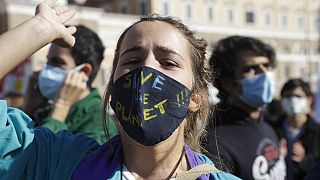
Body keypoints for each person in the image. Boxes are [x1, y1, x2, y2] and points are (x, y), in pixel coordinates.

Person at [0, 0, 240, 179]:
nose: (147, 70)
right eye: (132, 61)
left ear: (195, 97)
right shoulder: (60, 161)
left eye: (168, 63)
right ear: (113, 86)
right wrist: (39, 29)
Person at [203, 35, 286, 179]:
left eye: (266, 66)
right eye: (251, 69)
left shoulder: (267, 126)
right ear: (228, 83)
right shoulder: (214, 143)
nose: (264, 74)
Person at [20, 24, 117, 144]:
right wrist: (27, 111)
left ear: (83, 72)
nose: (46, 69)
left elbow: (38, 156)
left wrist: (61, 107)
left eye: (57, 62)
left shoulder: (100, 124)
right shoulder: (44, 110)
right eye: (48, 61)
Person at [270, 78, 320, 180]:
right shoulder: (271, 128)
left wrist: (304, 160)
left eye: (298, 96)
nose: (293, 100)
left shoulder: (317, 131)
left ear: (309, 99)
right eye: (288, 96)